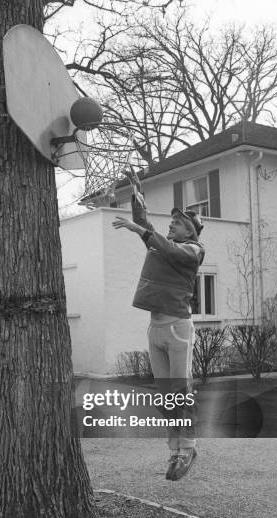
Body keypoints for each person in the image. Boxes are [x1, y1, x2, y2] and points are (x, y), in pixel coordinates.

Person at [112, 167, 205, 481]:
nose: (172, 225)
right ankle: (174, 450)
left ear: (191, 230)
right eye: (172, 221)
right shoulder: (163, 245)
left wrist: (141, 232)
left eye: (177, 223)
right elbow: (147, 228)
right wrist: (137, 195)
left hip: (178, 328)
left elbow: (163, 244)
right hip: (156, 329)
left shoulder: (193, 251)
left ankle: (187, 448)